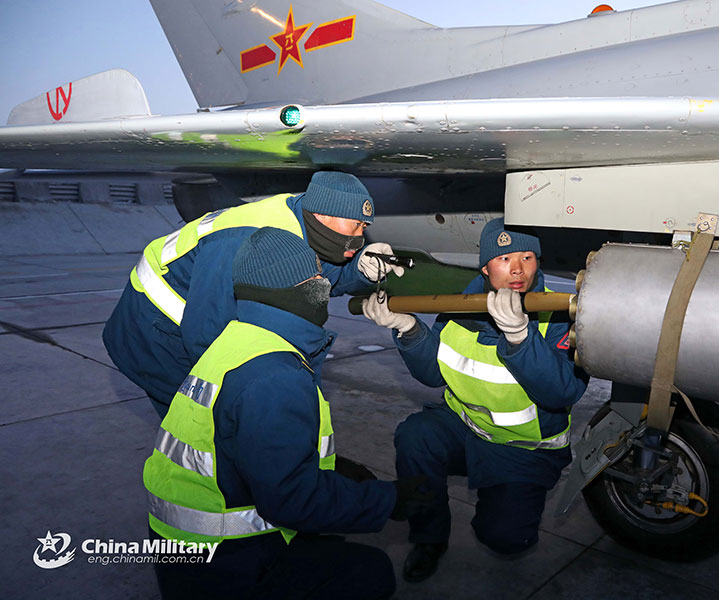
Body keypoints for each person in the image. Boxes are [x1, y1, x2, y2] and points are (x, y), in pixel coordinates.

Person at [143, 227, 429, 599]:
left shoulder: (238, 340)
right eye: (315, 276)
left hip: (184, 548)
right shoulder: (275, 376)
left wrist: (335, 470)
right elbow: (291, 500)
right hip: (224, 565)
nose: (324, 286)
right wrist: (389, 499)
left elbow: (241, 443)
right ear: (287, 288)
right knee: (370, 571)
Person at [361, 217, 589, 582]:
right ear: (485, 268)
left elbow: (563, 392)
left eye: (527, 257)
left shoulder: (560, 314)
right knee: (416, 435)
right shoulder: (460, 306)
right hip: (467, 428)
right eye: (504, 259)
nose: (518, 269)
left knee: (505, 537)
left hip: (523, 449)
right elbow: (434, 374)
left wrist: (520, 337)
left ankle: (501, 503)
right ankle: (429, 538)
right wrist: (409, 328)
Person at [103, 171, 404, 417]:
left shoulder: (303, 220)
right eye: (356, 225)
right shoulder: (243, 240)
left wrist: (360, 270)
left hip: (192, 315)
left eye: (364, 227)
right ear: (324, 215)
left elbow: (320, 280)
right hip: (154, 328)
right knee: (202, 421)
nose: (360, 236)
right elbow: (206, 331)